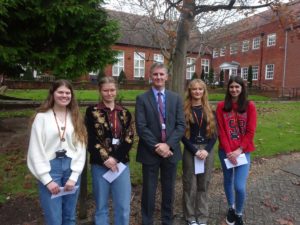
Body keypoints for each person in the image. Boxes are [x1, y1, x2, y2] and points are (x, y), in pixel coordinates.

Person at [27, 79, 87, 225]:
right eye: (60, 92)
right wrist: (46, 179)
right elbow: (35, 149)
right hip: (50, 168)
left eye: (68, 93)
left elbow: (81, 147)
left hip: (71, 168)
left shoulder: (75, 117)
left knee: (69, 216)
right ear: (53, 94)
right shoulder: (41, 118)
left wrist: (74, 175)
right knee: (54, 219)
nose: (64, 95)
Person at [135, 62, 185, 225]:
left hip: (171, 152)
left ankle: (167, 220)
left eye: (161, 74)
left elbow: (180, 125)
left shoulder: (176, 98)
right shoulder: (142, 99)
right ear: (151, 76)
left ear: (167, 77)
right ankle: (147, 221)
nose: (158, 77)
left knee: (169, 189)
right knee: (149, 190)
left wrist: (167, 145)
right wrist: (158, 146)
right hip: (150, 152)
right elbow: (141, 127)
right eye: (155, 74)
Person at [85, 76, 134, 225]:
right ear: (100, 91)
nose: (109, 93)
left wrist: (115, 158)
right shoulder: (91, 111)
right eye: (105, 90)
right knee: (101, 206)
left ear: (116, 91)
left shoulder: (125, 113)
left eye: (112, 90)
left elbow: (129, 137)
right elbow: (90, 138)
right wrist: (106, 159)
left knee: (123, 205)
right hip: (100, 164)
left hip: (121, 165)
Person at [216, 76, 257, 225]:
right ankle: (231, 208)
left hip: (243, 152)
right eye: (231, 87)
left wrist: (239, 150)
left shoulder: (249, 106)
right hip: (225, 152)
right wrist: (228, 151)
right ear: (228, 89)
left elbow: (250, 131)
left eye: (237, 87)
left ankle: (239, 213)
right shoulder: (221, 106)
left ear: (242, 88)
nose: (234, 89)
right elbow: (221, 131)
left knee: (239, 186)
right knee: (227, 181)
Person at [181, 79, 217, 225]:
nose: (197, 92)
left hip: (207, 150)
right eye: (194, 89)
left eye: (200, 89)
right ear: (190, 91)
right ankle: (190, 217)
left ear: (204, 91)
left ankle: (202, 216)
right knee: (189, 184)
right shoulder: (184, 110)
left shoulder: (210, 109)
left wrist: (206, 150)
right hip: (191, 150)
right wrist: (195, 151)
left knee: (204, 184)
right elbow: (182, 135)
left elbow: (215, 135)